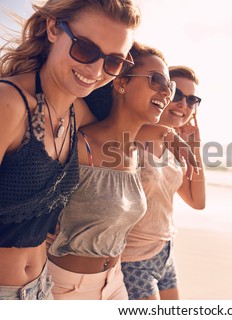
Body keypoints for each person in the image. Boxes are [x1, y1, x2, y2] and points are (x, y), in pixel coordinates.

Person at [0, 0, 140, 300]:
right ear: (52, 28)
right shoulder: (9, 104)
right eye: (86, 49)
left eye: (113, 62)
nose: (96, 70)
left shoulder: (78, 111)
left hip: (42, 288)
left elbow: (123, 128)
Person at [46, 42, 178, 300]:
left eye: (169, 87)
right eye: (157, 80)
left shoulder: (137, 156)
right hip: (66, 288)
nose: (166, 92)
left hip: (115, 283)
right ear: (121, 83)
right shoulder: (80, 144)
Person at [120, 65, 206, 300]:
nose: (183, 105)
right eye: (177, 95)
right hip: (133, 258)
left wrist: (194, 148)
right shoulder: (134, 136)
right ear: (163, 93)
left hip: (165, 251)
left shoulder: (173, 146)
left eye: (192, 100)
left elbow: (197, 202)